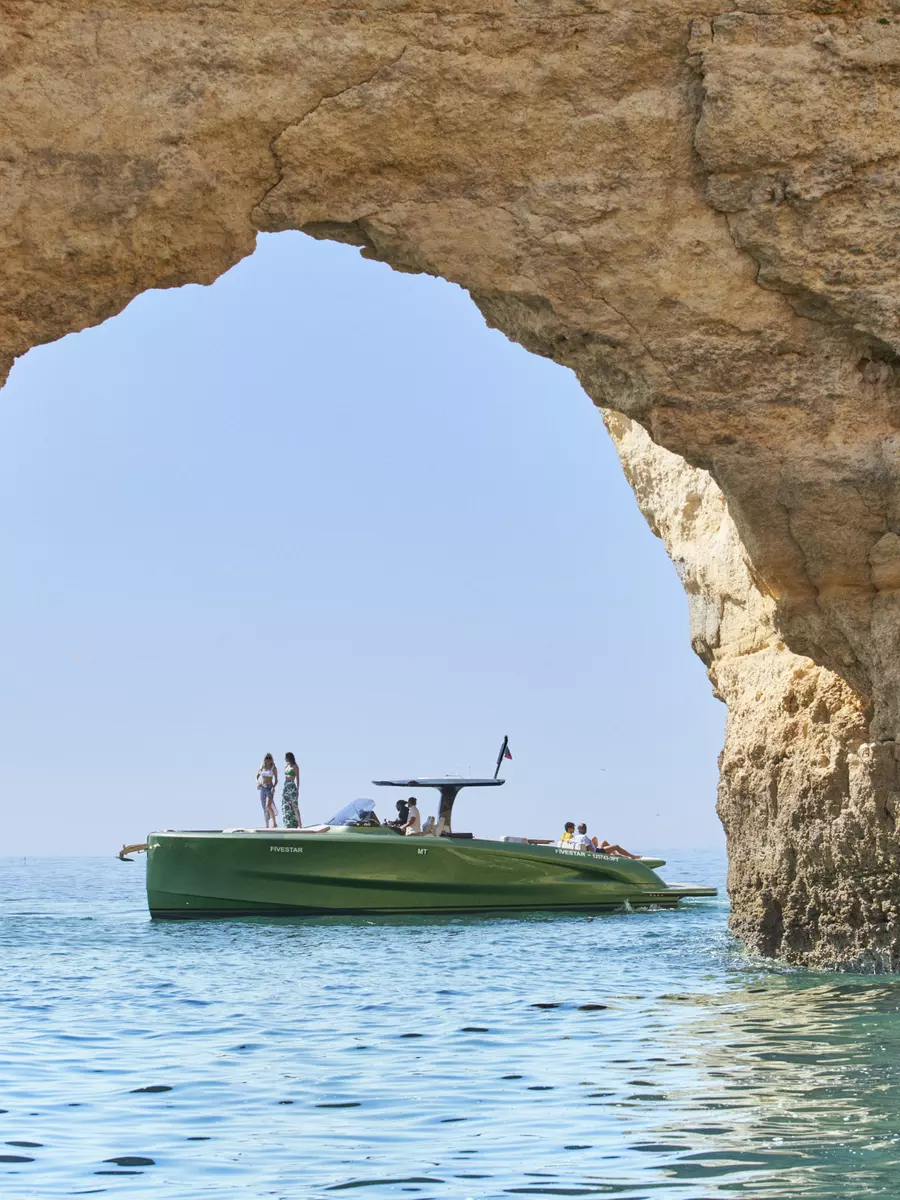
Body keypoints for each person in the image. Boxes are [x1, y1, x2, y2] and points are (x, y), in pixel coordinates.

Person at [256, 754, 278, 828]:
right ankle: (267, 826)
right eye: (266, 758)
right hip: (262, 787)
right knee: (264, 807)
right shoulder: (262, 766)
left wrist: (274, 787)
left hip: (269, 787)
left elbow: (276, 780)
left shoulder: (273, 767)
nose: (268, 759)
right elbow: (256, 777)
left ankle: (274, 824)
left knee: (268, 806)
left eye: (269, 758)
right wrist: (257, 783)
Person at [282, 752, 301, 828]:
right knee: (286, 805)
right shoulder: (286, 766)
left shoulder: (295, 766)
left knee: (294, 805)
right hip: (286, 785)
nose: (285, 758)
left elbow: (298, 778)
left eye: (286, 757)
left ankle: (299, 823)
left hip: (292, 785)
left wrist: (297, 790)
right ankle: (288, 824)